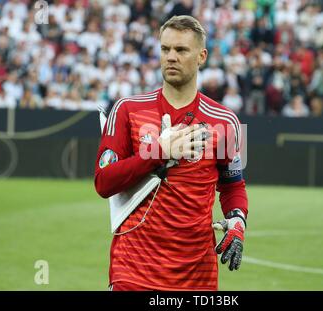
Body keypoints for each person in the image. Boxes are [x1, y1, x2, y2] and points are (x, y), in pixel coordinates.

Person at [94, 15, 248, 291]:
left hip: (197, 275)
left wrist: (237, 221)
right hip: (134, 270)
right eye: (165, 49)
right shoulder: (127, 109)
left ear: (201, 56)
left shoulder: (226, 121)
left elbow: (233, 185)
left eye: (181, 50)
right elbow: (103, 183)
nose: (171, 57)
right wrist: (160, 151)